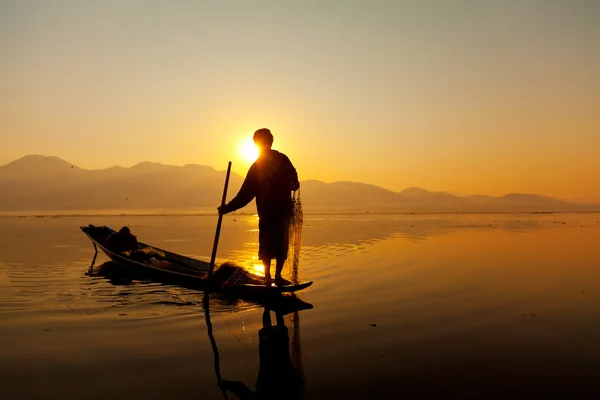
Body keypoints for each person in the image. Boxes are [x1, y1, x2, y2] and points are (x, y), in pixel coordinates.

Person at [218, 128, 299, 285]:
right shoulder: (256, 167)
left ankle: (277, 277)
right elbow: (245, 194)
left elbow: (293, 175)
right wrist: (228, 208)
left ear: (270, 142)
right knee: (267, 245)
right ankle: (267, 277)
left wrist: (294, 183)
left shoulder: (283, 160)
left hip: (282, 211)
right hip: (266, 213)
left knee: (282, 244)